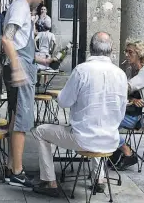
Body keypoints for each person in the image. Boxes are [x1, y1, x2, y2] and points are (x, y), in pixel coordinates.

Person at [31, 32, 128, 197]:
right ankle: (99, 179)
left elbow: (64, 102)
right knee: (99, 123)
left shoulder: (82, 70)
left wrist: (60, 95)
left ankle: (50, 182)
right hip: (110, 139)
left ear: (90, 49)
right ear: (111, 49)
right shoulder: (121, 74)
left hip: (83, 139)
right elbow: (121, 111)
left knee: (41, 131)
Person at [2, 0, 53, 188]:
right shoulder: (20, 8)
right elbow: (7, 38)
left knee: (15, 118)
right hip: (19, 69)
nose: (42, 0)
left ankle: (11, 166)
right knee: (22, 121)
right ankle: (17, 172)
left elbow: (20, 42)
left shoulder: (21, 8)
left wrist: (39, 58)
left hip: (22, 64)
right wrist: (18, 69)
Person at [112, 39, 144, 171]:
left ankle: (127, 152)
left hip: (142, 117)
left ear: (139, 54)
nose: (126, 55)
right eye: (126, 51)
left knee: (107, 123)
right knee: (106, 121)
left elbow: (125, 87)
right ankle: (116, 152)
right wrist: (133, 99)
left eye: (130, 52)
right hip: (131, 111)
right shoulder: (129, 69)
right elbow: (127, 94)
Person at [35, 20, 56, 86]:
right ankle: (45, 82)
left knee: (39, 68)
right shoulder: (51, 34)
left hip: (41, 52)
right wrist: (52, 50)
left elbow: (34, 40)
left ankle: (38, 82)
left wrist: (36, 48)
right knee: (46, 68)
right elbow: (55, 43)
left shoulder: (40, 33)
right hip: (47, 52)